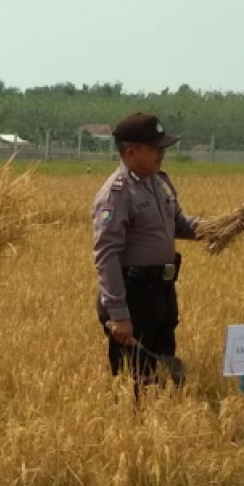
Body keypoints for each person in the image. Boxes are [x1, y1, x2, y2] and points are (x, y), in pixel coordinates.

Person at [93, 112, 201, 393]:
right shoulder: (117, 193)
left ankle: (158, 428)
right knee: (135, 380)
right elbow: (106, 255)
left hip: (161, 292)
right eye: (155, 148)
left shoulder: (159, 182)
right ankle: (133, 432)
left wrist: (221, 226)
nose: (161, 153)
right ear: (131, 152)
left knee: (162, 372)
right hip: (134, 294)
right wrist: (118, 314)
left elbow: (180, 224)